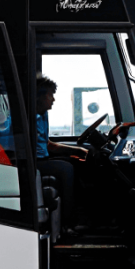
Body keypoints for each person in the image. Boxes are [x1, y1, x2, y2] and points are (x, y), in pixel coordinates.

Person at [36, 75, 88, 229]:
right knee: (67, 169)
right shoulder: (29, 117)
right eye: (50, 95)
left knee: (75, 164)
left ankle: (81, 215)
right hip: (34, 163)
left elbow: (48, 145)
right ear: (40, 96)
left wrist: (78, 150)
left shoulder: (43, 115)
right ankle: (68, 223)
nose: (53, 99)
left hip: (43, 159)